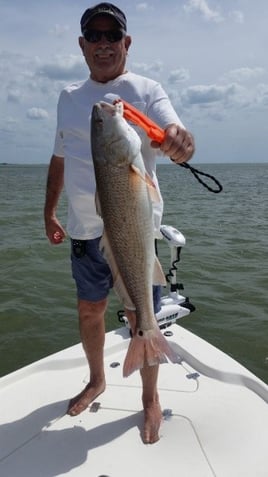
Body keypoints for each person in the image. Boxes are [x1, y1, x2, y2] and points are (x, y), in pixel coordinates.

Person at [44, 2, 195, 444]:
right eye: (95, 35)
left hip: (132, 232)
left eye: (113, 36)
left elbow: (174, 133)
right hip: (83, 231)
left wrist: (181, 142)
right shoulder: (69, 98)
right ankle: (97, 379)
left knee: (139, 311)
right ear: (82, 44)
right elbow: (58, 158)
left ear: (126, 43)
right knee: (88, 309)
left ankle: (150, 396)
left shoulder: (147, 89)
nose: (104, 44)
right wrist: (48, 211)